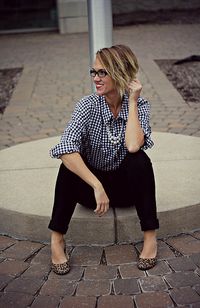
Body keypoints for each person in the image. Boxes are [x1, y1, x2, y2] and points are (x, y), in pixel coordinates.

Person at [48, 45, 159, 275]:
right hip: (92, 193)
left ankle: (150, 239)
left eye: (102, 73)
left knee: (139, 160)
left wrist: (132, 103)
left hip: (126, 191)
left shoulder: (140, 106)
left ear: (120, 73)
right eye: (94, 72)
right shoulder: (87, 106)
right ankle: (57, 239)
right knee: (68, 165)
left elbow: (133, 145)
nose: (96, 78)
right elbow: (65, 147)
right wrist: (96, 185)